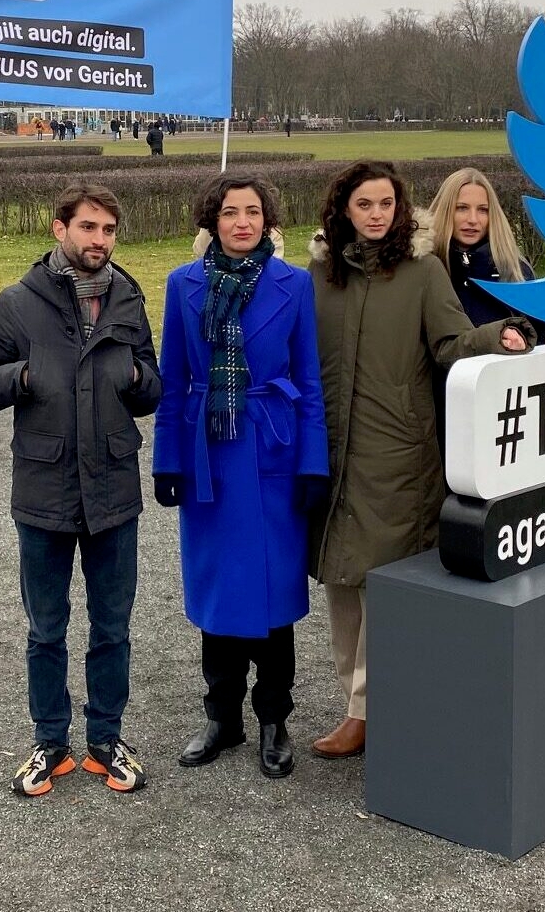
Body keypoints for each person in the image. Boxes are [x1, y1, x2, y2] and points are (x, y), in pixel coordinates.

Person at [307, 160, 535, 759]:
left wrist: (500, 335)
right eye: (365, 204)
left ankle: (367, 710)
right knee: (342, 581)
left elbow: (452, 342)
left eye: (386, 203)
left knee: (383, 583)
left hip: (398, 453)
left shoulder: (421, 271)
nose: (377, 214)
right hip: (335, 452)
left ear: (401, 209)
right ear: (344, 210)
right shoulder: (319, 276)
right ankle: (355, 702)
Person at [0, 184, 163, 797]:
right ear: (59, 229)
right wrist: (22, 375)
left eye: (108, 230)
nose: (99, 240)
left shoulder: (127, 296)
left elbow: (153, 386)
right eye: (89, 228)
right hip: (44, 492)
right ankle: (51, 742)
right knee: (46, 627)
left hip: (114, 491)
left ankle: (105, 739)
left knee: (112, 625)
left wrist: (133, 375)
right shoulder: (19, 303)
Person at [152, 175, 328, 778]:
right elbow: (173, 380)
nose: (243, 222)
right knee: (220, 588)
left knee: (275, 593)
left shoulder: (294, 285)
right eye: (231, 212)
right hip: (211, 453)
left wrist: (313, 463)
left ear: (267, 220)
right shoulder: (184, 284)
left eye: (253, 211)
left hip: (274, 451)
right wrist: (167, 461)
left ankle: (275, 718)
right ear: (214, 219)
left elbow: (309, 383)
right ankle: (221, 715)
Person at [428, 168, 545, 344]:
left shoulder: (513, 269)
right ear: (446, 210)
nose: (473, 219)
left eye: (483, 210)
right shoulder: (425, 269)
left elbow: (538, 329)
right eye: (462, 208)